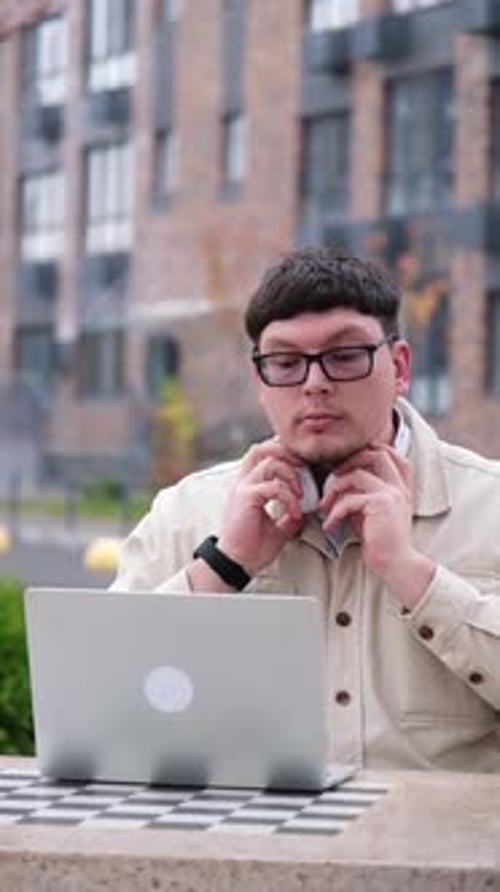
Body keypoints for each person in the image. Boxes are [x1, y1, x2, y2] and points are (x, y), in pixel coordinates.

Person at [111, 247, 500, 772]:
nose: (314, 382)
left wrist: (412, 575)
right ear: (261, 381)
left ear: (400, 366)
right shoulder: (187, 512)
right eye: (286, 362)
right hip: (241, 842)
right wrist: (224, 566)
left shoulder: (490, 505)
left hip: (444, 847)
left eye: (344, 356)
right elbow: (108, 704)